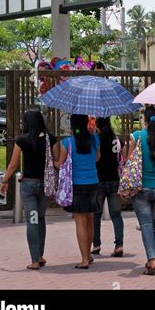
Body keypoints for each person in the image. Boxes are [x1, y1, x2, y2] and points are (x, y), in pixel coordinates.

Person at [1, 110, 58, 270]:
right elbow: (56, 161)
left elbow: (13, 164)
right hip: (45, 186)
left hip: (28, 186)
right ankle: (40, 255)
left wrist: (5, 180)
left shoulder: (22, 140)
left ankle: (34, 260)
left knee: (32, 220)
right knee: (40, 218)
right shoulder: (50, 139)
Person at [127, 106, 155, 275]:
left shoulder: (136, 137)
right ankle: (152, 257)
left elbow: (130, 163)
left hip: (141, 188)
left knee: (146, 224)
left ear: (144, 120)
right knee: (154, 224)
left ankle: (152, 259)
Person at [56, 114, 100, 269]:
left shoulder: (66, 143)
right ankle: (88, 255)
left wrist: (52, 161)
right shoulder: (94, 139)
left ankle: (84, 259)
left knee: (80, 221)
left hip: (77, 184)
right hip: (93, 182)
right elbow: (97, 158)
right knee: (90, 219)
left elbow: (60, 164)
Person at [92, 117, 125, 257]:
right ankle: (119, 245)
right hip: (114, 180)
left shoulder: (96, 139)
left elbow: (95, 158)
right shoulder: (117, 139)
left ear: (98, 126)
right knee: (116, 214)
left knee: (96, 215)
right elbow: (121, 158)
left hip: (99, 180)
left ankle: (96, 245)